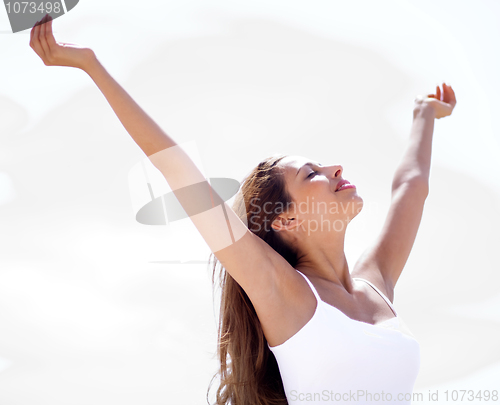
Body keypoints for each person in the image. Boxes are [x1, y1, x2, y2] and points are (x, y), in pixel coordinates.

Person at [29, 15, 457, 405]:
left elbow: (410, 189)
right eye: (312, 174)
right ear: (284, 220)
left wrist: (424, 114)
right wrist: (92, 66)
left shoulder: (375, 284)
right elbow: (178, 169)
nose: (335, 167)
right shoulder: (284, 291)